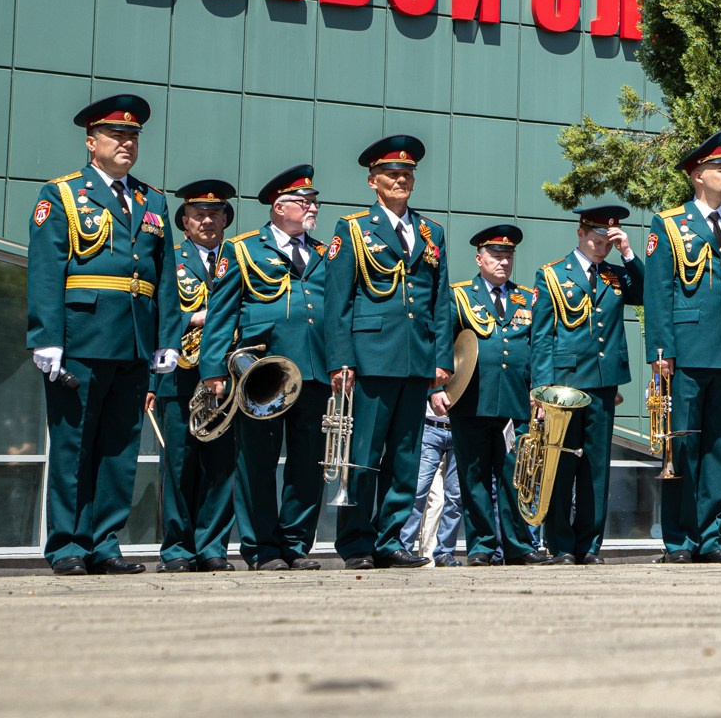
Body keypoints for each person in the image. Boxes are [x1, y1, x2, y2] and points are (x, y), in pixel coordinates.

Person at [28, 94, 175, 575]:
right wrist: (46, 336)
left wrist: (166, 338)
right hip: (81, 337)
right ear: (92, 143)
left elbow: (165, 276)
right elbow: (47, 271)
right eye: (116, 135)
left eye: (133, 136)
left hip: (133, 339)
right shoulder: (63, 194)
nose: (127, 143)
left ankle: (104, 541)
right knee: (74, 446)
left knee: (119, 446)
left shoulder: (152, 200)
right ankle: (68, 544)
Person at [322, 134, 453, 571]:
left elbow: (440, 301)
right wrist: (341, 359)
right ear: (372, 181)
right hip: (371, 355)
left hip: (416, 358)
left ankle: (390, 538)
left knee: (405, 455)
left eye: (407, 174)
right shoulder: (354, 229)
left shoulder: (432, 232)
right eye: (392, 174)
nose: (401, 180)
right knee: (364, 453)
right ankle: (356, 541)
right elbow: (338, 300)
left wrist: (441, 359)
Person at [202, 165, 334, 571]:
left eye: (314, 201)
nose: (312, 207)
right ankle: (262, 548)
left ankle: (295, 544)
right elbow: (220, 317)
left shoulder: (324, 252)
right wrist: (214, 371)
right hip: (260, 375)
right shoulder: (242, 249)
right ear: (279, 206)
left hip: (313, 371)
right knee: (256, 463)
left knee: (308, 463)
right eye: (304, 201)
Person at [645, 131, 721, 564]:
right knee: (682, 445)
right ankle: (679, 540)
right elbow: (659, 291)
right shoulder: (670, 223)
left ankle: (711, 537)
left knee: (720, 447)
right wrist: (662, 354)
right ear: (699, 176)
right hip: (685, 352)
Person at [532, 204, 644, 564]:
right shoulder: (551, 275)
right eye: (597, 239)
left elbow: (645, 293)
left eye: (608, 241)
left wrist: (628, 253)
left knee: (596, 467)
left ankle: (589, 545)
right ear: (580, 233)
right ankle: (561, 545)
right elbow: (543, 336)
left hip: (603, 384)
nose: (602, 246)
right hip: (564, 386)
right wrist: (541, 390)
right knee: (562, 466)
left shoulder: (614, 275)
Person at [441, 225, 548, 566]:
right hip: (471, 400)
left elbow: (540, 348)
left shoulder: (527, 298)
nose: (503, 261)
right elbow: (443, 343)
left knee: (516, 477)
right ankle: (482, 547)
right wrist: (437, 390)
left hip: (517, 403)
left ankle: (518, 547)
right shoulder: (459, 295)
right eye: (496, 255)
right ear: (479, 258)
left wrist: (541, 391)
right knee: (472, 479)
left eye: (509, 255)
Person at [150, 179, 239, 572]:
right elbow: (157, 317)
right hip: (181, 377)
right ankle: (177, 549)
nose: (207, 220)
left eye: (215, 213)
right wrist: (195, 318)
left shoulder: (239, 259)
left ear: (226, 219)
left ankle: (213, 547)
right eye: (198, 214)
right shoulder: (171, 260)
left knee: (222, 466)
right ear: (184, 221)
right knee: (180, 465)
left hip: (230, 379)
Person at [399, 398, 460, 566]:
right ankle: (403, 547)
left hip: (460, 427)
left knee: (455, 496)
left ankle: (445, 552)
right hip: (430, 427)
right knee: (418, 492)